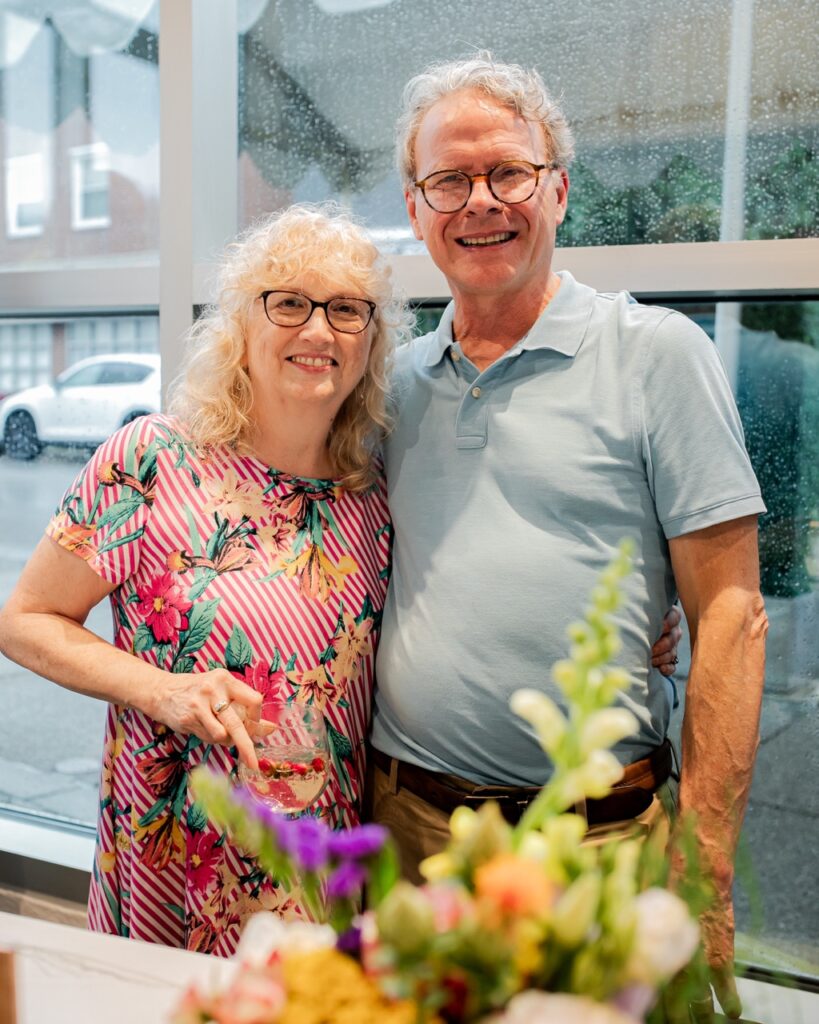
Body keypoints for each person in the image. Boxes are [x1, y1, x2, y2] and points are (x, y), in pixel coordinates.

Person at [366, 56, 767, 1021]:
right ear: (416, 211)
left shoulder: (657, 356)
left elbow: (731, 612)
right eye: (448, 182)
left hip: (600, 845)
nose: (480, 203)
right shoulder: (393, 387)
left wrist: (705, 862)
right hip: (409, 835)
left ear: (558, 188)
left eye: (507, 172)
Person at [0, 204, 412, 956]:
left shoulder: (372, 492)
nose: (319, 331)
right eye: (289, 302)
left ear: (371, 342)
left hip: (315, 863)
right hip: (172, 854)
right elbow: (25, 621)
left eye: (347, 310)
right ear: (240, 325)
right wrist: (163, 689)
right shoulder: (152, 459)